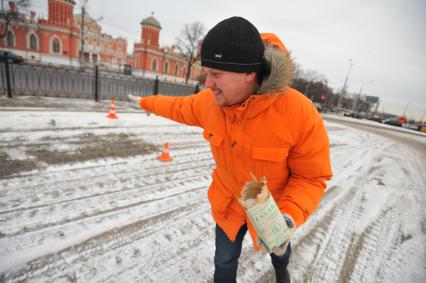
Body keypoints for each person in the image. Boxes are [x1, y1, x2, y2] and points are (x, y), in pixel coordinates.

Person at [128, 16, 332, 283]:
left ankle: (282, 272)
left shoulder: (299, 113)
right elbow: (176, 106)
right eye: (207, 72)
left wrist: (289, 214)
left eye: (216, 74)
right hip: (229, 204)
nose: (208, 83)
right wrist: (145, 102)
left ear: (248, 73)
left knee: (279, 253)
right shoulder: (210, 102)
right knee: (223, 262)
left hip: (275, 208)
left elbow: (311, 176)